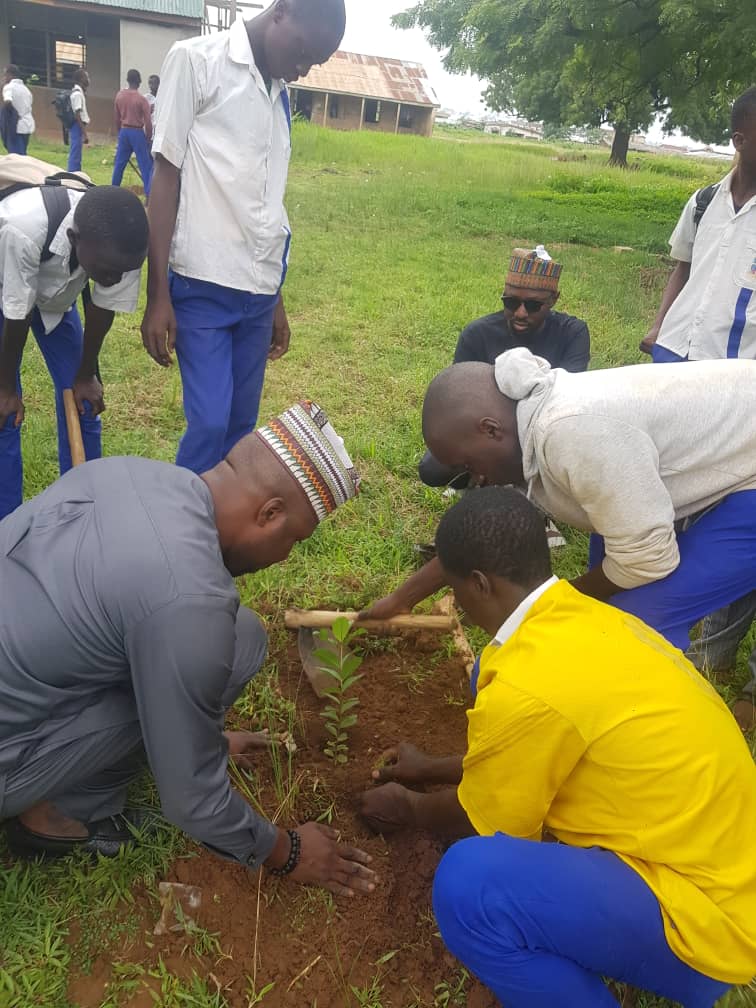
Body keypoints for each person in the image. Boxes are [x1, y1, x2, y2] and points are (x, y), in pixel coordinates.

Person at [359, 487, 756, 1006]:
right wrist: (430, 767)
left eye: (457, 592)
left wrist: (409, 808)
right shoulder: (592, 617)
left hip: (714, 929)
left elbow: (482, 819)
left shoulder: (528, 685)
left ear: (479, 584)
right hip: (727, 863)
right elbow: (539, 746)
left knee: (469, 886)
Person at [0, 400, 376, 897]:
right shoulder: (188, 597)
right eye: (293, 540)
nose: (285, 557)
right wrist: (288, 851)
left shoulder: (132, 473)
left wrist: (206, 738)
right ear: (269, 513)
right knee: (212, 652)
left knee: (241, 637)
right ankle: (58, 815)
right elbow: (191, 800)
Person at [361, 349, 756, 663]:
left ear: (490, 429)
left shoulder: (572, 432)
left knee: (637, 618)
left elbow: (647, 559)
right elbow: (479, 536)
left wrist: (553, 607)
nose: (476, 480)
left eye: (469, 467)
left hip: (750, 473)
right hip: (718, 448)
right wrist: (402, 599)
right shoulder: (522, 428)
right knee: (602, 604)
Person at [141, 0, 346, 475]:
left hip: (257, 294)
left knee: (239, 428)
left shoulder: (279, 94)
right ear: (281, 11)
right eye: (301, 53)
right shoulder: (196, 61)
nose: (300, 70)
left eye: (310, 64)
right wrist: (158, 295)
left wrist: (275, 296)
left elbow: (267, 200)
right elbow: (165, 177)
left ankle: (219, 540)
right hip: (201, 285)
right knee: (210, 423)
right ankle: (180, 528)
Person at [640, 86, 756, 731]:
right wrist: (658, 329)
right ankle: (664, 625)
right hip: (673, 368)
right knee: (663, 499)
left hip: (737, 390)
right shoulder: (706, 199)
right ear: (741, 137)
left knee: (731, 512)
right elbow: (680, 269)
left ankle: (712, 653)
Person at [0, 185, 147, 520]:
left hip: (55, 299)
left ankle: (81, 513)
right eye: (108, 271)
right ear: (73, 237)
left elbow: (102, 305)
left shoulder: (124, 243)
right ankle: (6, 525)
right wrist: (6, 387)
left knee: (84, 404)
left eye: (123, 272)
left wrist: (85, 373)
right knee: (4, 413)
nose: (116, 278)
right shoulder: (21, 227)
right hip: (4, 289)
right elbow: (15, 312)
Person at [419, 245, 590, 489]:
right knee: (433, 470)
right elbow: (460, 400)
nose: (520, 313)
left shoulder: (573, 333)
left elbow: (569, 398)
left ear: (554, 300)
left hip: (544, 429)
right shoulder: (477, 333)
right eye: (510, 302)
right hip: (488, 431)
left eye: (533, 305)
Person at [111, 69, 154, 196]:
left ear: (128, 80)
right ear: (139, 81)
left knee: (119, 164)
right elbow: (148, 122)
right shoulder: (141, 100)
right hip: (137, 132)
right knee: (145, 165)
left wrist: (120, 133)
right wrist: (148, 138)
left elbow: (116, 118)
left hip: (124, 131)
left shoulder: (119, 96)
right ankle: (149, 196)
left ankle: (112, 192)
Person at [2, 66, 34, 155]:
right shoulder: (26, 90)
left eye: (5, 75)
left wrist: (12, 115)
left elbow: (7, 101)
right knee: (22, 153)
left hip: (15, 126)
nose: (4, 77)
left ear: (10, 75)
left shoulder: (8, 87)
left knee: (16, 157)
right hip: (27, 126)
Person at [68, 68, 90, 173]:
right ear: (81, 79)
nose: (88, 79)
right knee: (75, 153)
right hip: (77, 126)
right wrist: (85, 133)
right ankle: (72, 174)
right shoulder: (77, 94)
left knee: (77, 153)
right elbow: (77, 114)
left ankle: (76, 173)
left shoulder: (80, 92)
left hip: (78, 126)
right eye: (87, 77)